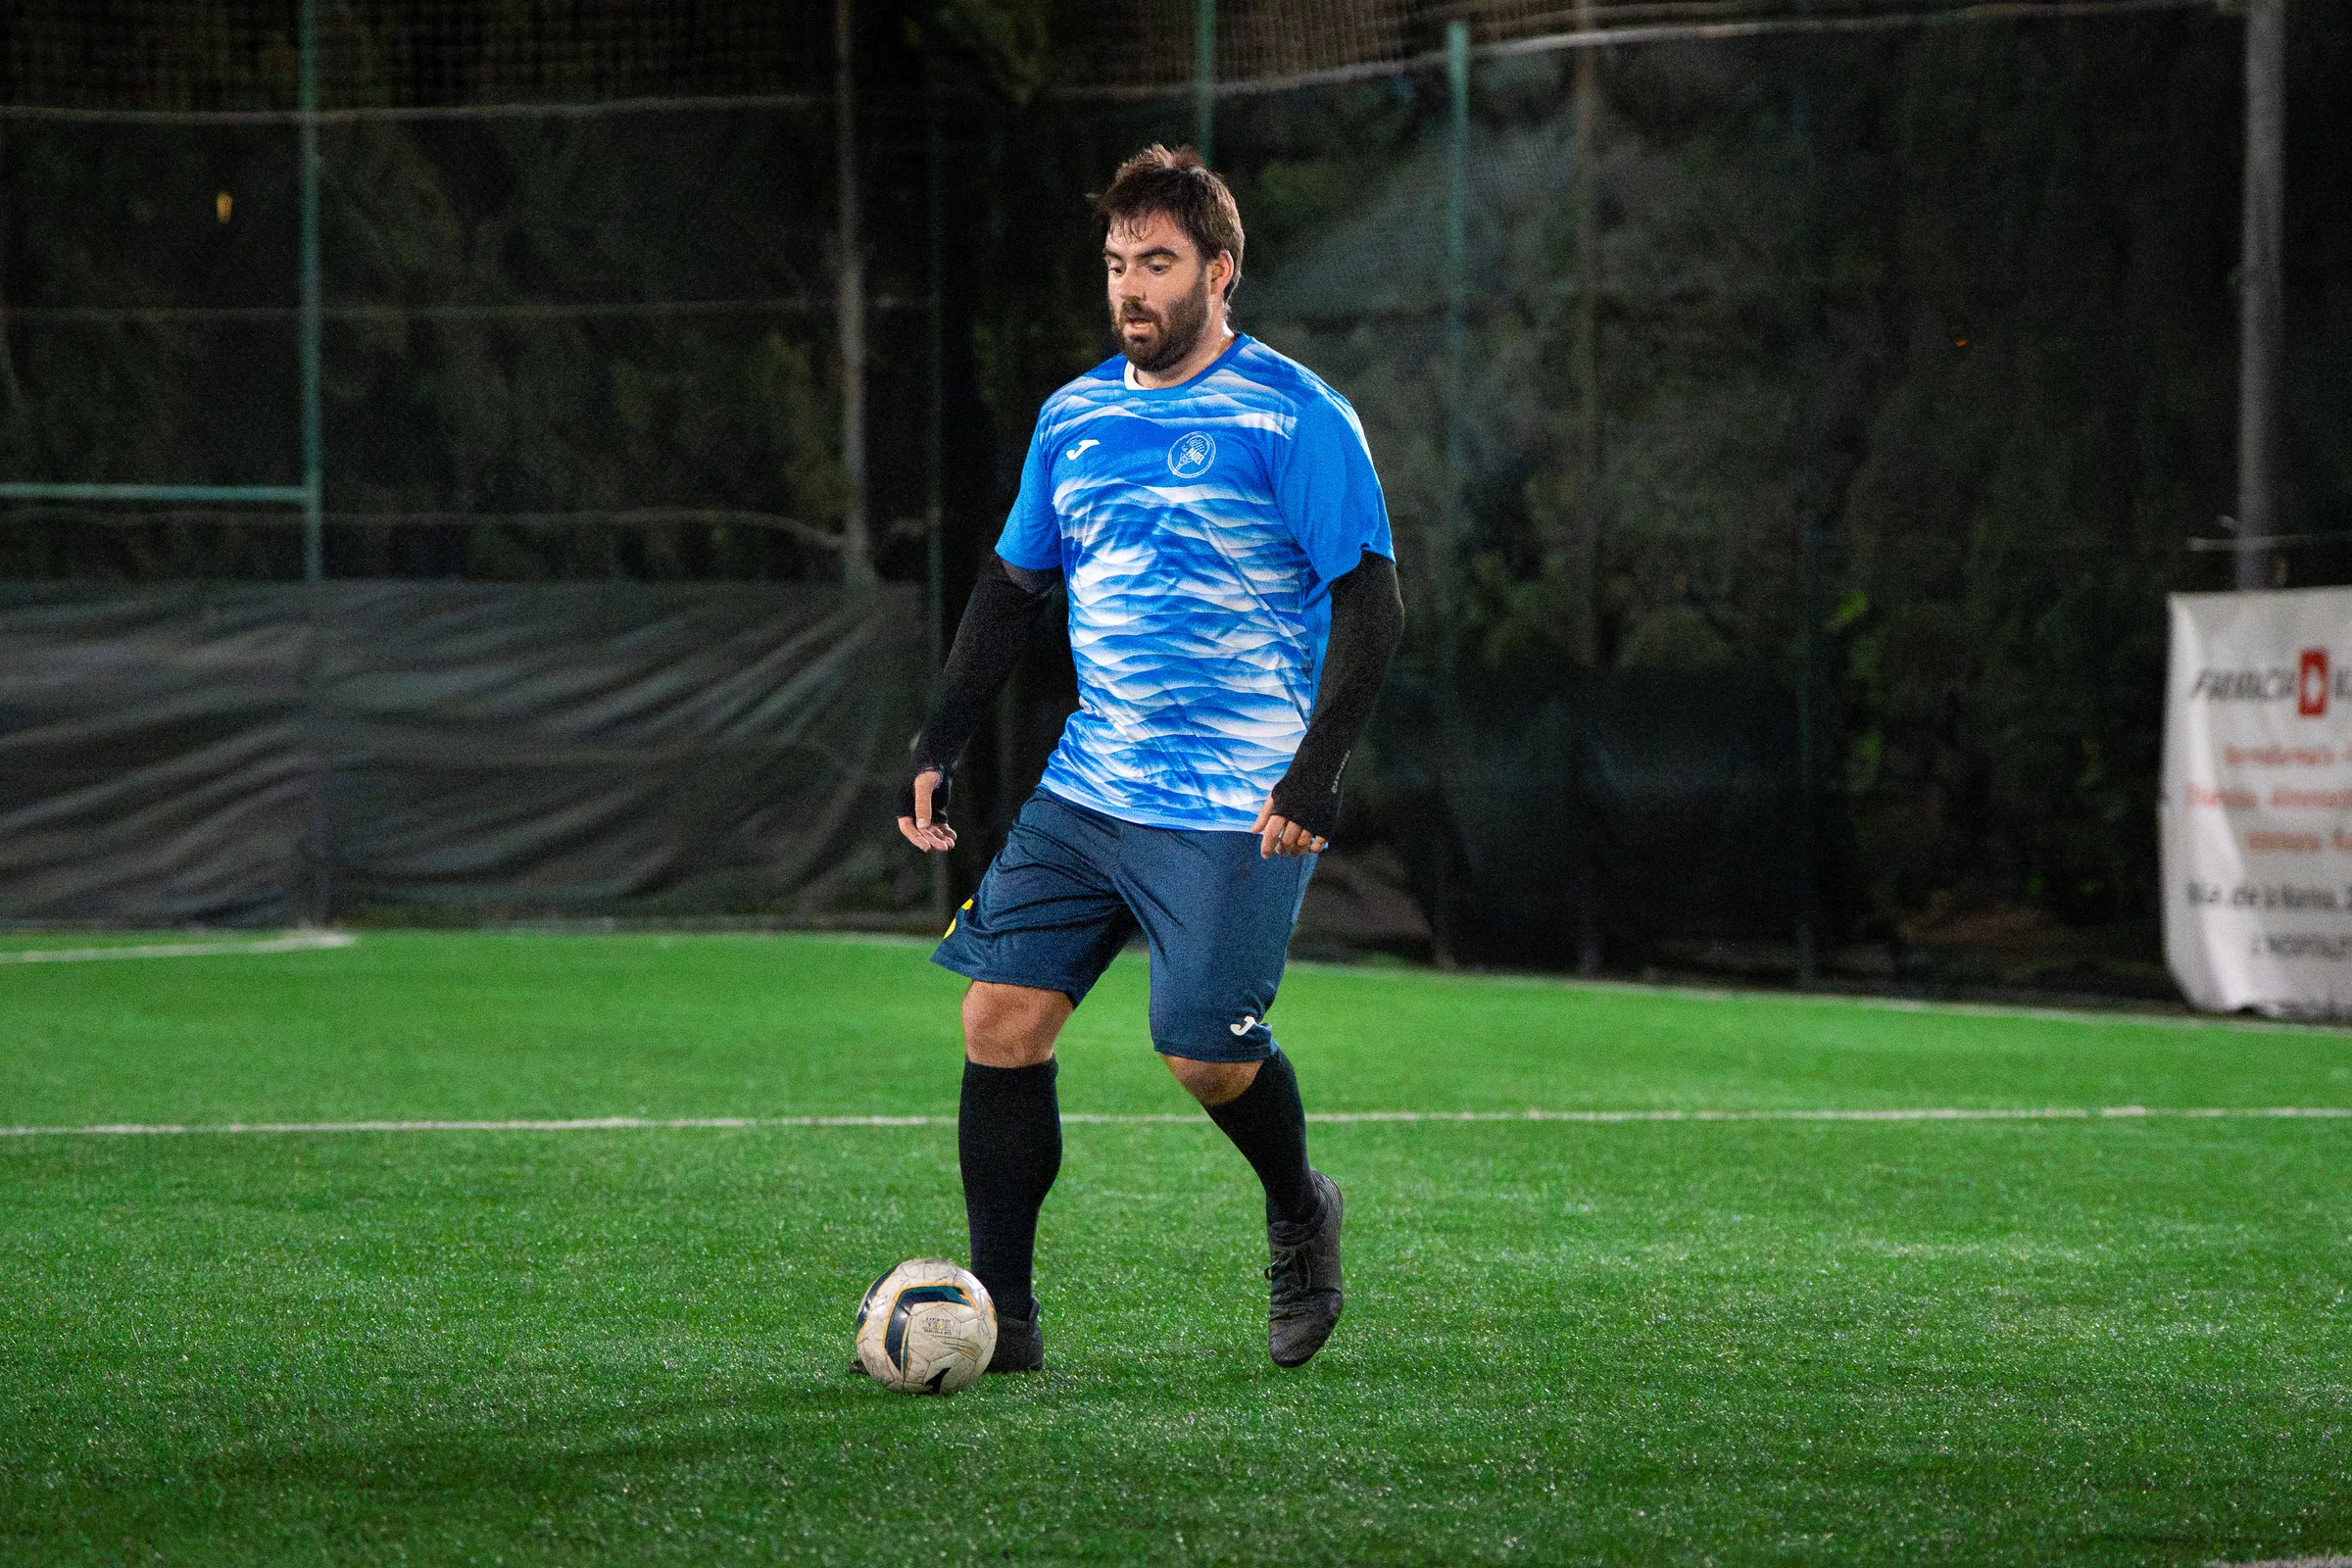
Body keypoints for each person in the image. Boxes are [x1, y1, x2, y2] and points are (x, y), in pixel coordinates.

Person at [896, 143, 1403, 1372]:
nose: (1132, 286)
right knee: (999, 1019)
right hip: (1090, 789)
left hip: (1238, 802)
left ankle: (1298, 1205)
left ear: (1220, 273)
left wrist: (1315, 770)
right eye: (1118, 263)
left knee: (1203, 1048)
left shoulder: (1294, 413)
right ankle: (1001, 1319)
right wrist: (939, 738)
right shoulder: (1072, 417)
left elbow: (1373, 600)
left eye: (1159, 263)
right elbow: (1014, 589)